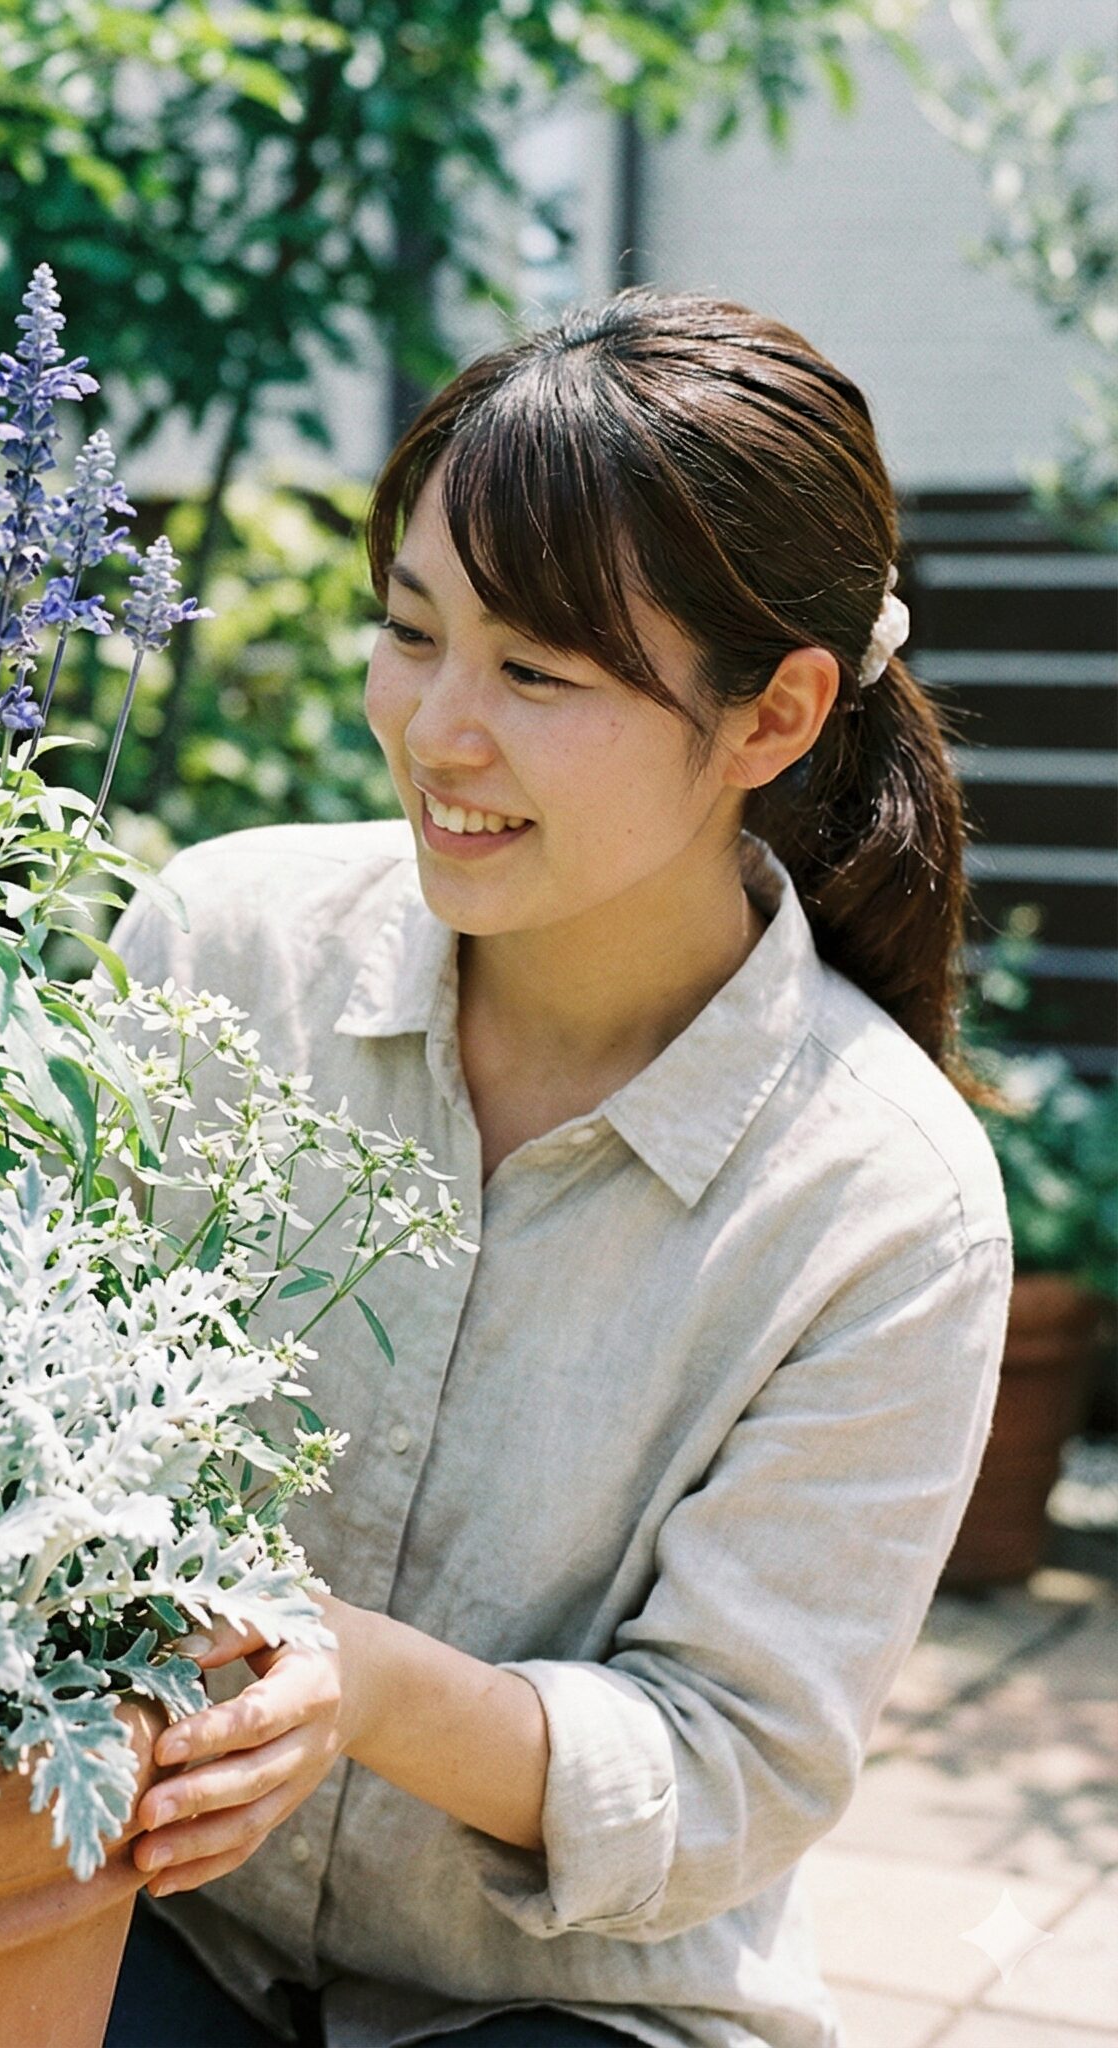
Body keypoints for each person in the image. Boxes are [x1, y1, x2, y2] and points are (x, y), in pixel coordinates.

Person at [97, 288, 1013, 2048]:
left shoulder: (881, 1203)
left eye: (536, 672)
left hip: (568, 2008)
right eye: (410, 630)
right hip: (161, 1921)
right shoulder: (224, 949)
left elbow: (731, 1771)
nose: (439, 729)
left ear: (773, 716)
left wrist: (358, 1684)